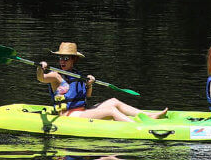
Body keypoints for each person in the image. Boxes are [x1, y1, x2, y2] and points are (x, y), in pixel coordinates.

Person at [37, 42, 168, 122]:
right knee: (110, 110)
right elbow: (41, 78)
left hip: (82, 110)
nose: (62, 61)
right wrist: (40, 67)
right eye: (61, 58)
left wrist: (89, 84)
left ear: (73, 60)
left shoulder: (78, 75)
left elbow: (87, 96)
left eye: (66, 58)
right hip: (69, 115)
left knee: (114, 101)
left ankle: (149, 115)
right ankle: (138, 128)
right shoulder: (55, 75)